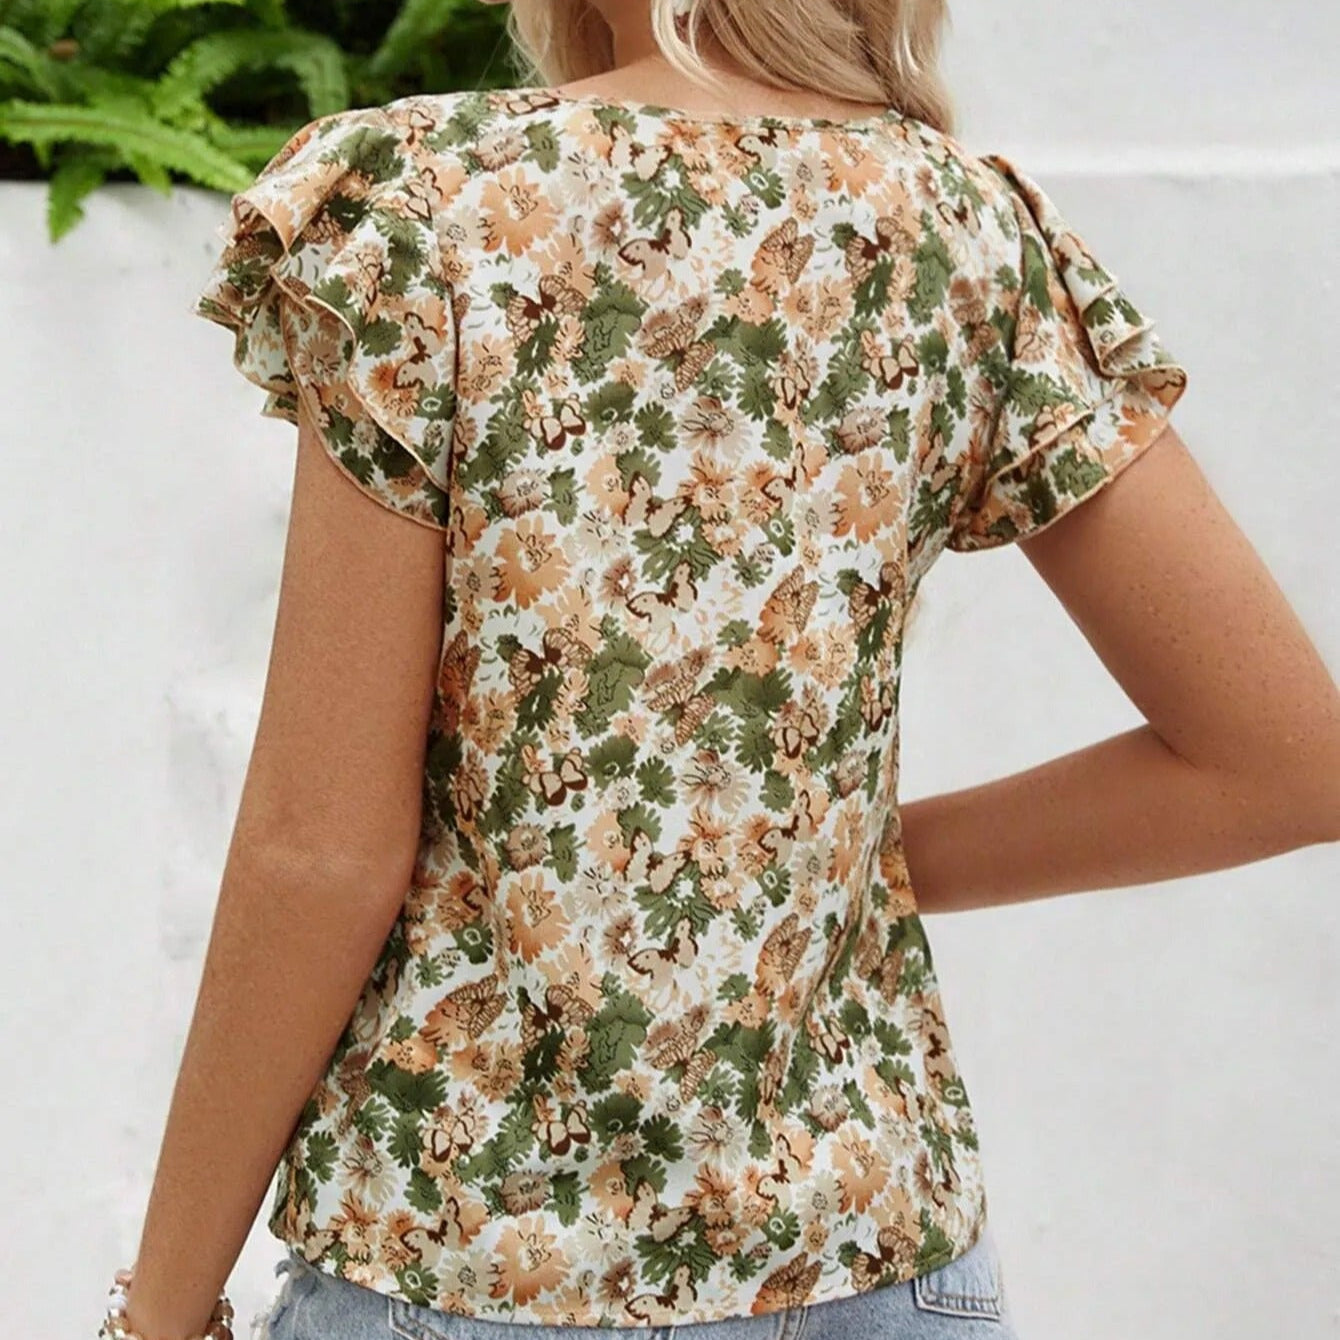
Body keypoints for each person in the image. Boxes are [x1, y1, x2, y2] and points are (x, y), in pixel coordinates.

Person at [104, 0, 1340, 1338]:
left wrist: (159, 1314)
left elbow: (320, 851)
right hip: (871, 1253)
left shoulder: (433, 211)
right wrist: (823, 870)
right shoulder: (965, 234)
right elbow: (1285, 762)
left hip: (473, 1255)